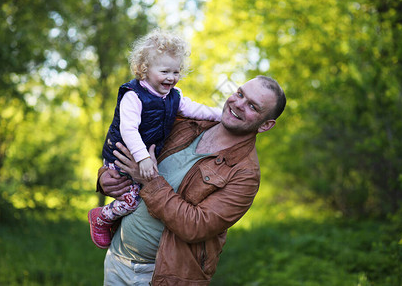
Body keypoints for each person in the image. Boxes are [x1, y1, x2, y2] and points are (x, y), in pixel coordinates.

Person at [97, 75, 286, 285]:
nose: (238, 104)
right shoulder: (186, 122)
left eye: (252, 106)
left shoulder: (245, 174)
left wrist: (149, 181)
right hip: (117, 259)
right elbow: (131, 143)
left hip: (161, 276)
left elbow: (195, 226)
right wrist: (105, 176)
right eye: (240, 93)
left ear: (265, 125)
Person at [88, 29, 221, 249]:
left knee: (140, 194)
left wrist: (221, 114)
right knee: (132, 199)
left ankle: (118, 220)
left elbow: (197, 110)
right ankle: (102, 216)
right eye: (165, 71)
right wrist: (142, 158)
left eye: (176, 71)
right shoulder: (133, 95)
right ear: (145, 70)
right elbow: (128, 129)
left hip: (143, 157)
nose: (171, 77)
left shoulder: (173, 97)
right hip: (121, 154)